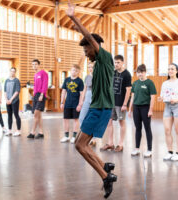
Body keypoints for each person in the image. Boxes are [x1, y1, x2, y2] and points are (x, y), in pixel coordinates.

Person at [66, 1, 117, 198]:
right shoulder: (98, 64)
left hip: (101, 108)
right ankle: (105, 167)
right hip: (99, 107)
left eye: (87, 50)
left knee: (80, 145)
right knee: (80, 144)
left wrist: (73, 17)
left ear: (94, 47)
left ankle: (105, 175)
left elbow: (88, 36)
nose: (86, 54)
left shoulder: (104, 56)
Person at [101, 55, 132, 152]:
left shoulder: (127, 74)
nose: (116, 64)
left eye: (118, 62)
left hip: (120, 103)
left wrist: (125, 104)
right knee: (109, 122)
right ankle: (110, 143)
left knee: (121, 122)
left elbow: (128, 90)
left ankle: (120, 144)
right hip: (111, 103)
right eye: (115, 62)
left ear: (123, 63)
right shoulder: (113, 73)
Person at [158, 63, 178, 161]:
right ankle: (169, 152)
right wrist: (160, 98)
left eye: (172, 69)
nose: (170, 71)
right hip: (168, 107)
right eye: (169, 69)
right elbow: (163, 95)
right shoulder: (165, 83)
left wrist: (176, 100)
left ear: (176, 71)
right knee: (167, 130)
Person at [128, 64, 156, 158]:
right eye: (138, 73)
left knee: (147, 128)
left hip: (145, 108)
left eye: (141, 72)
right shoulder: (135, 83)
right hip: (136, 108)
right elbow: (133, 96)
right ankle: (137, 148)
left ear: (145, 72)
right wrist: (129, 109)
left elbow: (152, 97)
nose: (140, 74)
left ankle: (149, 149)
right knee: (138, 128)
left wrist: (150, 110)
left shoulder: (149, 83)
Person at [60, 64, 84, 144]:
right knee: (65, 119)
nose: (74, 72)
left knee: (75, 119)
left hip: (76, 104)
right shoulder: (66, 80)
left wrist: (80, 104)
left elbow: (81, 94)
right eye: (73, 70)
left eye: (76, 71)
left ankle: (74, 137)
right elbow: (63, 92)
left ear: (78, 72)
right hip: (67, 103)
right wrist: (62, 102)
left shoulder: (80, 81)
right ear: (71, 70)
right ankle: (66, 136)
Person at [27, 59, 48, 139]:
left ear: (39, 65)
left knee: (36, 113)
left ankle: (32, 132)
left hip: (41, 95)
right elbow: (36, 85)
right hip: (36, 95)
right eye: (33, 65)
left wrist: (42, 94)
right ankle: (41, 132)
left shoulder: (43, 73)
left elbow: (45, 84)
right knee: (38, 115)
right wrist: (34, 93)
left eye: (35, 64)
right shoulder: (35, 74)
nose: (34, 66)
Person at [78, 62, 96, 147]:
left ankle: (93, 139)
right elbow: (85, 89)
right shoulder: (87, 77)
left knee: (92, 118)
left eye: (92, 67)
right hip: (87, 97)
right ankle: (86, 135)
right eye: (89, 67)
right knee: (81, 117)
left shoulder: (99, 77)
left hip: (95, 98)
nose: (90, 68)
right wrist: (81, 100)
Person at [4, 67, 21, 137]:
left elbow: (17, 91)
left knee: (16, 115)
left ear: (15, 72)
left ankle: (18, 130)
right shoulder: (6, 80)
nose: (12, 73)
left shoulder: (17, 80)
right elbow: (5, 91)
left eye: (14, 71)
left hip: (14, 101)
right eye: (11, 71)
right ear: (9, 72)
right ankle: (10, 130)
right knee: (9, 115)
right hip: (8, 101)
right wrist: (6, 99)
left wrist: (11, 99)